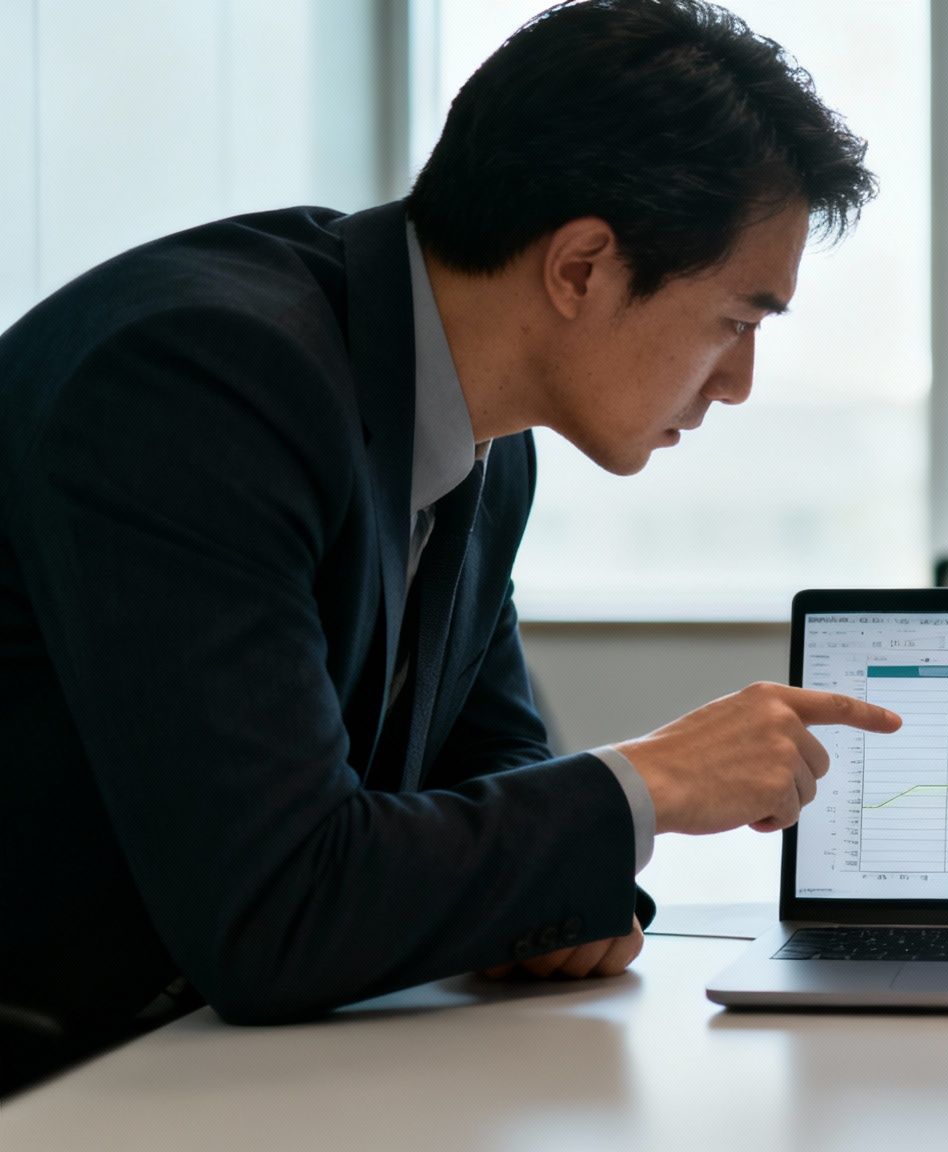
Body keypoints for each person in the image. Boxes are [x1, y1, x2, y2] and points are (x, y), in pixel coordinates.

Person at [0, 0, 902, 1094]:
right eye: (735, 321)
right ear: (580, 268)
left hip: (191, 1062)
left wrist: (570, 874)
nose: (738, 383)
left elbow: (491, 764)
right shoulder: (206, 381)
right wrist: (646, 785)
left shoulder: (484, 432)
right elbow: (276, 908)